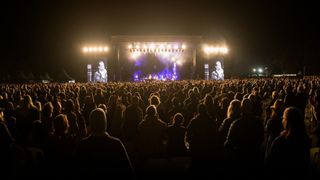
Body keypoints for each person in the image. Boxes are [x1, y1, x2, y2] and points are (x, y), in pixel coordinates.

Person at [74, 108, 134, 177]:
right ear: (105, 123)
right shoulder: (116, 144)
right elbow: (128, 171)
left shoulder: (82, 145)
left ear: (91, 124)